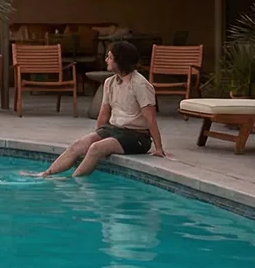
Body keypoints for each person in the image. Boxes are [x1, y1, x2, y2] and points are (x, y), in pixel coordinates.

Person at [41, 40, 168, 176]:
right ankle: (46, 174)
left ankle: (74, 181)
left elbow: (151, 119)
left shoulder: (140, 85)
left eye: (110, 57)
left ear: (120, 61)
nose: (106, 60)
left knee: (96, 148)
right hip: (114, 130)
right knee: (78, 144)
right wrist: (98, 134)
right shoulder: (109, 82)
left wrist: (159, 148)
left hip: (136, 136)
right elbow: (103, 115)